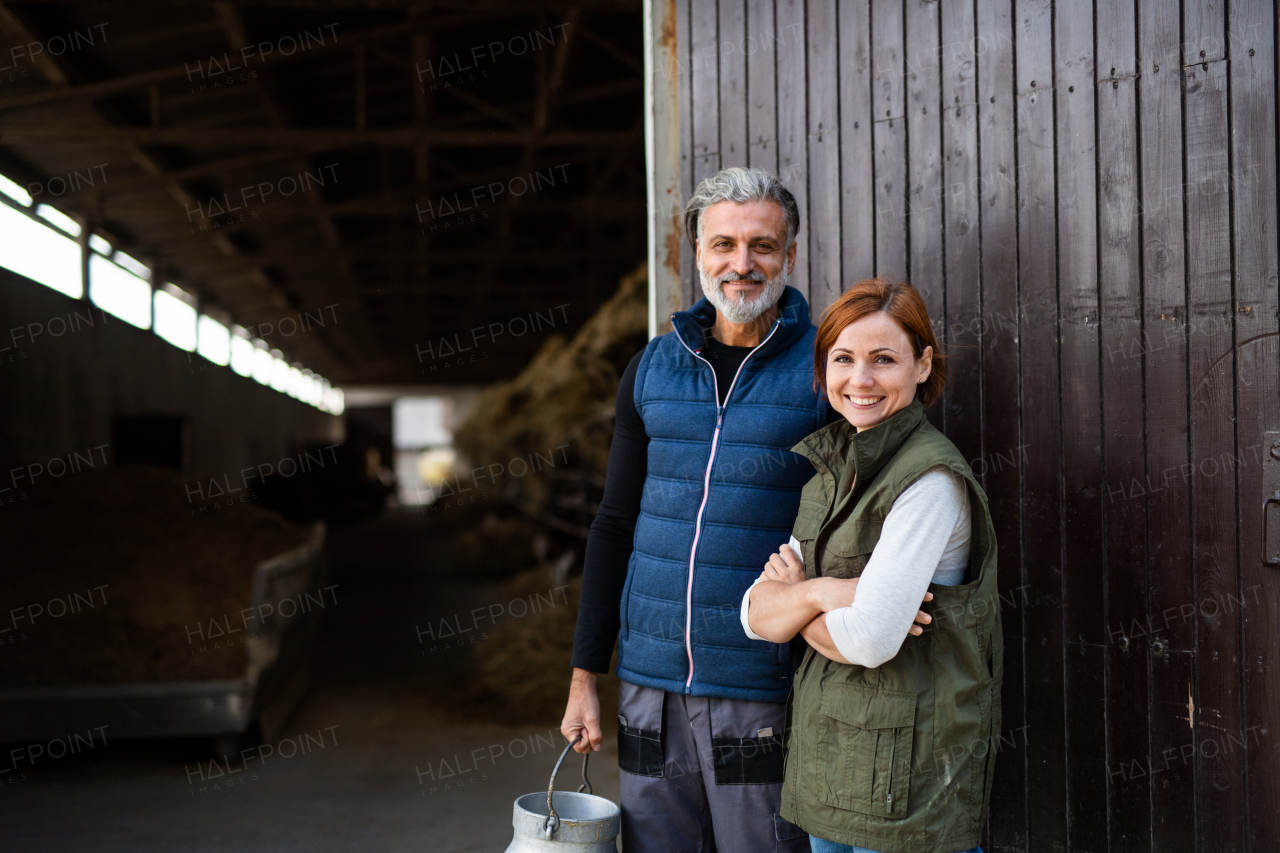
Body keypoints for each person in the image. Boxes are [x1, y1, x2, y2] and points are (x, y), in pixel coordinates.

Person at [560, 166, 827, 853]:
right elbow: (614, 524)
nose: (742, 264)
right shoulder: (652, 367)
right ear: (697, 255)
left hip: (757, 686)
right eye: (724, 245)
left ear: (789, 256)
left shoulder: (828, 369)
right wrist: (585, 676)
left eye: (762, 246)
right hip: (647, 690)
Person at [743, 277, 1002, 853]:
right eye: (843, 359)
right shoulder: (832, 470)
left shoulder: (929, 480)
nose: (859, 380)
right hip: (832, 765)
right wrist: (825, 593)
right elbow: (753, 614)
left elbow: (870, 640)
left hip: (906, 786)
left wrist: (798, 598)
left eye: (883, 359)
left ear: (923, 365)